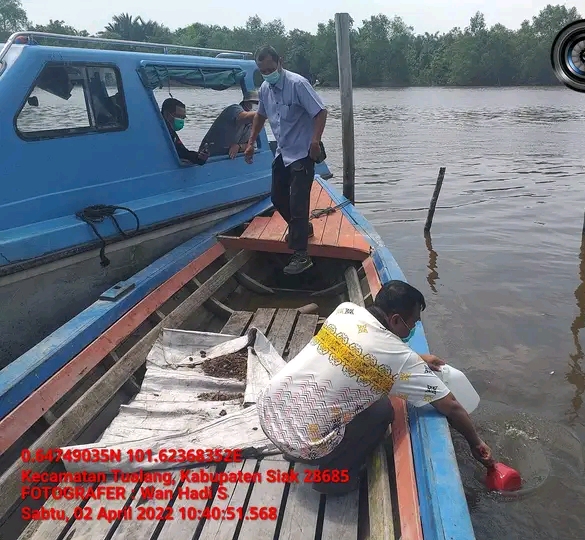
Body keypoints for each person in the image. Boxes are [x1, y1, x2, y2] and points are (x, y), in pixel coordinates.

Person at [256, 280, 494, 495]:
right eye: (413, 323)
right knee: (381, 410)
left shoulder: (345, 311)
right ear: (396, 320)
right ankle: (333, 481)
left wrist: (419, 358)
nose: (413, 329)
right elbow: (451, 406)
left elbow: (370, 347)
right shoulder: (398, 358)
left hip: (268, 412)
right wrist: (476, 443)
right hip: (305, 444)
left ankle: (293, 446)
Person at [244, 45, 328, 275]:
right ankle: (302, 227)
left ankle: (301, 255)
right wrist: (251, 143)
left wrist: (315, 141)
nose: (269, 73)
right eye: (263, 70)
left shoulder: (297, 84)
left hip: (303, 152)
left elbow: (320, 111)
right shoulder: (265, 88)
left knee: (298, 203)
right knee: (278, 197)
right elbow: (260, 115)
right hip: (283, 151)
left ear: (280, 62)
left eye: (271, 68)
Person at [200, 90, 259, 159]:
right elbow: (243, 117)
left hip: (226, 159)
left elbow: (253, 146)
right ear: (246, 102)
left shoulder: (253, 123)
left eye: (259, 103)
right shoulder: (234, 109)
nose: (257, 105)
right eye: (255, 102)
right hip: (208, 157)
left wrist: (239, 146)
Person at [161, 98, 208, 165]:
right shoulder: (158, 131)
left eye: (183, 118)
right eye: (179, 116)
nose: (181, 120)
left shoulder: (171, 133)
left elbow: (182, 152)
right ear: (167, 115)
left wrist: (199, 157)